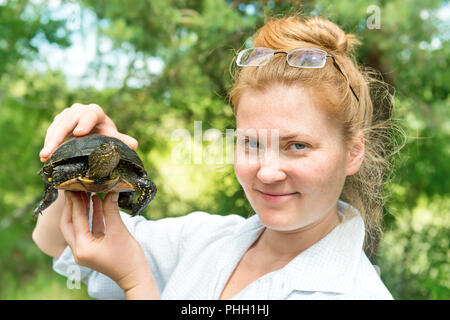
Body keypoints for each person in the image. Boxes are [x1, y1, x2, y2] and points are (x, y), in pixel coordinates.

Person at [32, 14, 396, 300]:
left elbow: (128, 272)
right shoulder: (203, 240)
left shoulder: (356, 293)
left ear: (353, 152)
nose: (267, 172)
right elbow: (55, 243)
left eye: (297, 146)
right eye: (251, 143)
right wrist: (84, 157)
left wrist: (135, 280)